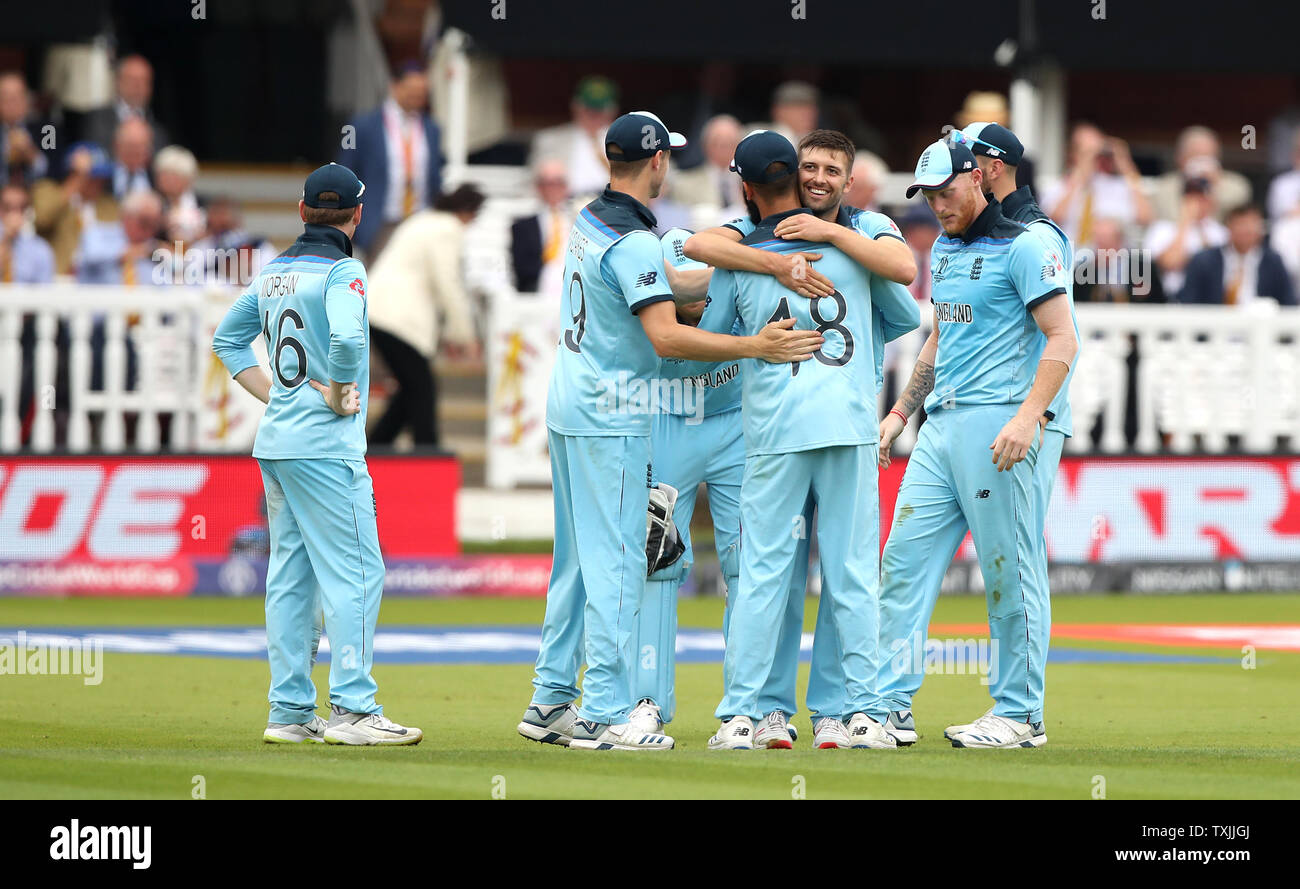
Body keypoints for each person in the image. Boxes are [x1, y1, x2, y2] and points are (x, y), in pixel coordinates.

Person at [515, 112, 822, 752]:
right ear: (657, 162)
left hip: (570, 403)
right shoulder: (633, 240)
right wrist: (755, 346)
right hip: (617, 410)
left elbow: (666, 281)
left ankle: (550, 700)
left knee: (575, 559)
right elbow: (665, 333)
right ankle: (604, 712)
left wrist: (755, 270)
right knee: (622, 561)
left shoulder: (589, 218)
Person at [677, 129, 918, 749]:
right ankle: (859, 712)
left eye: (831, 169)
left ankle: (746, 714)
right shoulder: (862, 248)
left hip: (778, 434)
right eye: (810, 167)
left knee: (764, 574)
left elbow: (711, 340)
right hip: (844, 427)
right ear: (797, 175)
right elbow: (904, 314)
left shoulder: (744, 251)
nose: (820, 178)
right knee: (852, 571)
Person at [875, 138, 1077, 749]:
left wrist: (1028, 416)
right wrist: (902, 410)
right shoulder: (944, 247)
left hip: (1004, 427)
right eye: (928, 196)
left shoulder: (1030, 242)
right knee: (902, 565)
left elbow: (1063, 338)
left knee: (1009, 571)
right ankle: (885, 706)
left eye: (947, 191)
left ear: (978, 178)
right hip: (941, 427)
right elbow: (942, 334)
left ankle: (1019, 714)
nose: (938, 205)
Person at [211, 162, 422, 746]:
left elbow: (227, 340)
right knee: (357, 571)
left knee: (291, 578)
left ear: (302, 213)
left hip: (278, 444)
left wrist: (276, 394)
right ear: (357, 215)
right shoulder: (344, 270)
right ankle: (354, 709)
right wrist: (336, 392)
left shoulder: (275, 271)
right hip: (326, 448)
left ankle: (290, 711)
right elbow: (350, 340)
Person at [367, 184, 484, 447]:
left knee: (411, 389)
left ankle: (376, 449)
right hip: (396, 317)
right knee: (422, 389)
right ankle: (427, 454)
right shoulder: (447, 229)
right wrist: (466, 337)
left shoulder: (424, 220)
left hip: (383, 311)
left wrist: (450, 335)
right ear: (467, 212)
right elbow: (447, 283)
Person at [337, 62, 443, 258]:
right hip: (380, 223)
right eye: (411, 90)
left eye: (422, 93)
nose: (417, 97)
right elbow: (345, 172)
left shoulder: (432, 129)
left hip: (420, 219)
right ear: (394, 86)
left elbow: (436, 176)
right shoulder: (360, 125)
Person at [1041, 122, 1151, 249]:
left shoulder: (1118, 185)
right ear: (1073, 154)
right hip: (1073, 259)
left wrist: (1125, 165)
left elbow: (1146, 218)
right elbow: (1053, 220)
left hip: (1115, 260)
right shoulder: (1059, 187)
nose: (1095, 158)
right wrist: (1080, 176)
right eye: (1087, 152)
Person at [1179, 204, 1295, 306]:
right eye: (1240, 224)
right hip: (1215, 325)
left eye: (1251, 224)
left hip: (1259, 325)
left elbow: (1288, 301)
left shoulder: (1272, 261)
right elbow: (1189, 299)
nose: (1245, 230)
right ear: (1229, 227)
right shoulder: (1204, 260)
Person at [31, 142, 119, 275]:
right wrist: (78, 178)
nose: (98, 183)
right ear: (72, 175)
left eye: (102, 178)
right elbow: (42, 220)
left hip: (98, 282)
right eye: (92, 177)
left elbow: (117, 242)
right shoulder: (47, 191)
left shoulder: (110, 206)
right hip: (58, 280)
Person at [529, 76, 620, 200]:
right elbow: (537, 181)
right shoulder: (550, 139)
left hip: (614, 203)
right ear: (575, 106)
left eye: (600, 110)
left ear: (613, 110)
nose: (594, 115)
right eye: (588, 109)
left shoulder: (625, 139)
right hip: (568, 204)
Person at [80, 55, 170, 152]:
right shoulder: (97, 120)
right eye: (133, 80)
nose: (138, 86)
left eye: (144, 81)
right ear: (118, 82)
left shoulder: (158, 132)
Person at [509, 160, 571, 293]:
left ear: (566, 187)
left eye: (558, 183)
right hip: (538, 291)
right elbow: (522, 269)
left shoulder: (578, 221)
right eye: (548, 184)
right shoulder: (522, 227)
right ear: (539, 187)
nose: (553, 189)